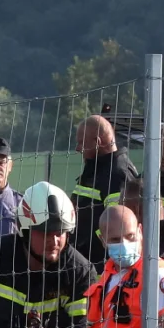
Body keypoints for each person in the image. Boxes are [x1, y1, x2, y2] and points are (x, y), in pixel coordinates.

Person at [0, 181, 97, 328]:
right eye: (45, 232)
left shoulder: (80, 273)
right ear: (25, 232)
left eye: (60, 232)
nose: (55, 240)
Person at [70, 115, 140, 271]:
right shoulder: (96, 170)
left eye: (81, 142)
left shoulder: (117, 173)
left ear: (97, 142)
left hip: (102, 268)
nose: (77, 148)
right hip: (87, 264)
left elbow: (118, 226)